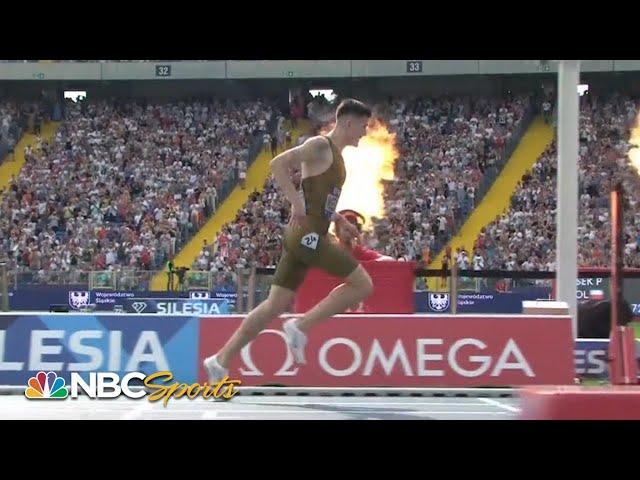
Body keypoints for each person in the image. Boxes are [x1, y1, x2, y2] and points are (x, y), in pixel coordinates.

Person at [203, 99, 374, 382]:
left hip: (306, 235)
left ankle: (219, 361)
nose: (365, 132)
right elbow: (277, 164)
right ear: (348, 123)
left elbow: (321, 201)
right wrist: (296, 204)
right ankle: (300, 326)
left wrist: (339, 221)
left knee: (273, 305)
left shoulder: (337, 157)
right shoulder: (320, 146)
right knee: (363, 284)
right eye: (363, 126)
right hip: (306, 236)